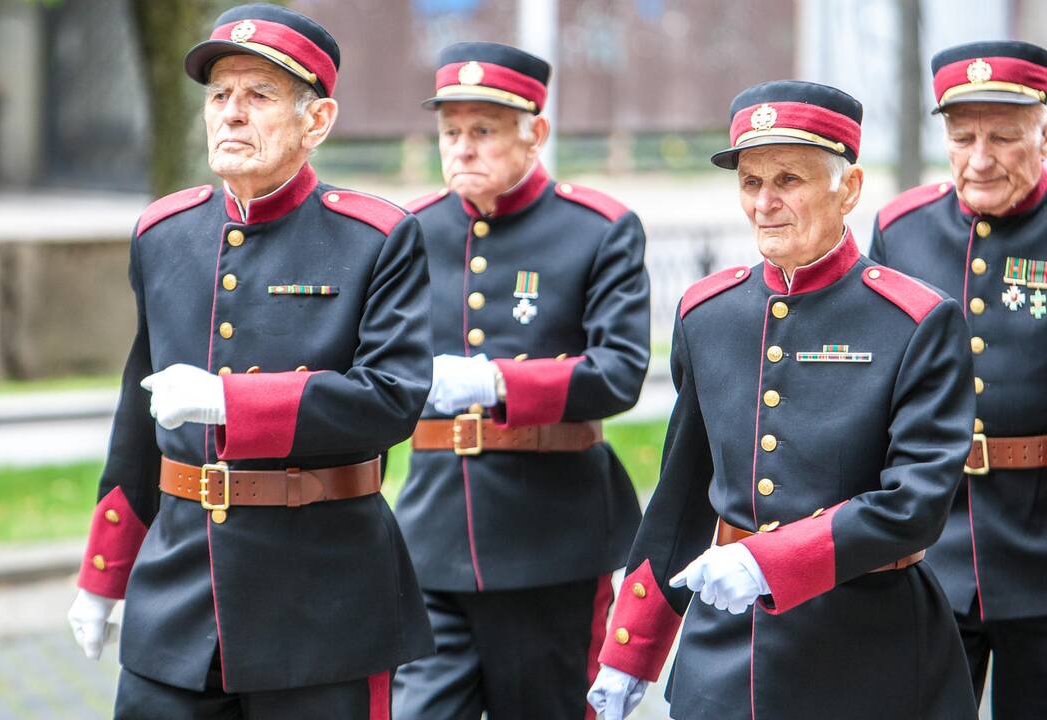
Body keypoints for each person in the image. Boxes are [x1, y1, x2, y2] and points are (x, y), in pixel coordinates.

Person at [65, 4, 433, 717]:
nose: (231, 114)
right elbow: (135, 423)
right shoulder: (163, 234)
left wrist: (232, 405)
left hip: (321, 603)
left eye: (259, 96)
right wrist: (104, 571)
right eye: (219, 96)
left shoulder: (378, 238)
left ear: (316, 122)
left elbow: (391, 398)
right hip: (177, 596)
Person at [587, 80, 979, 719]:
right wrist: (632, 648)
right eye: (750, 182)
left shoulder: (916, 320)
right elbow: (682, 498)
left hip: (869, 648)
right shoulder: (707, 314)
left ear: (847, 189)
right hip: (728, 652)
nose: (765, 203)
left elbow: (916, 504)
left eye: (789, 180)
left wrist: (769, 561)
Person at [391, 41, 650, 720]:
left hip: (552, 541)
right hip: (434, 536)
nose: (463, 149)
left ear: (536, 133)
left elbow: (619, 373)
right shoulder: (410, 231)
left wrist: (495, 384)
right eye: (451, 131)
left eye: (483, 130)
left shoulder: (596, 230)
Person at [870, 40, 1047, 719]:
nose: (979, 158)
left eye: (1003, 137)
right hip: (931, 552)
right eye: (962, 135)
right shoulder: (902, 229)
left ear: (1042, 131)